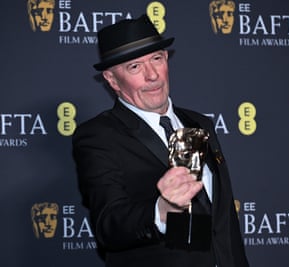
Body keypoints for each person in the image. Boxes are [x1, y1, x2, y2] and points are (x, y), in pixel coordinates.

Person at [72, 14, 249, 267]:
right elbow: (109, 225)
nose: (152, 75)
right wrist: (162, 209)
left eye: (156, 59)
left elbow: (222, 222)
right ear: (112, 80)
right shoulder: (99, 135)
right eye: (135, 66)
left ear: (167, 59)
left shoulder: (199, 123)